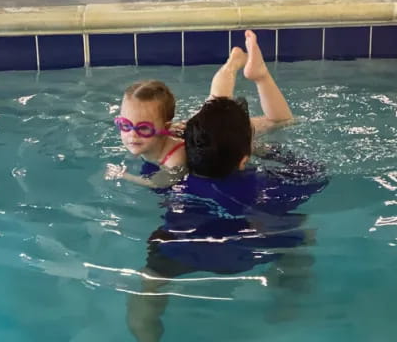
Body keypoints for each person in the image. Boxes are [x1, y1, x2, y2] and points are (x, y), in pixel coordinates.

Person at [125, 31, 328, 342]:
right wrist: (273, 152)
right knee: (302, 232)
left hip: (183, 250)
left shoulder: (175, 176)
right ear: (243, 159)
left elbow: (159, 182)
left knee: (150, 281)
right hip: (249, 252)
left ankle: (145, 332)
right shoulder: (267, 185)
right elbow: (315, 174)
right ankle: (288, 306)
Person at [105, 30, 294, 188]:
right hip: (203, 126)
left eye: (143, 128)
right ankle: (233, 64)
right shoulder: (160, 135)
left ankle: (254, 72)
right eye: (124, 125)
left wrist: (125, 176)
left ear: (165, 126)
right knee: (217, 98)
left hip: (218, 133)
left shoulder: (174, 159)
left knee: (279, 122)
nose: (132, 135)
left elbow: (160, 183)